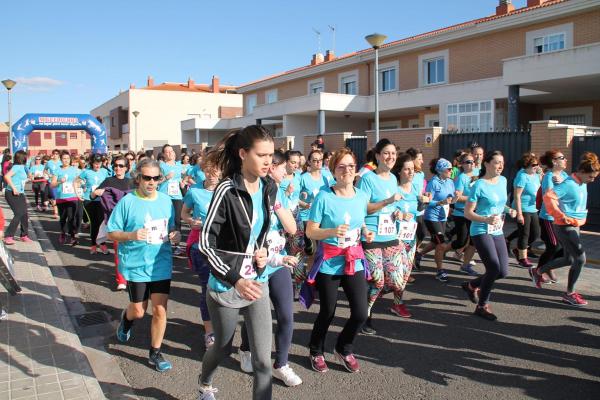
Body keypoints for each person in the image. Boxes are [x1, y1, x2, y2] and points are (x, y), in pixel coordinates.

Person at [197, 125, 277, 400]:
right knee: (222, 346)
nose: (269, 161)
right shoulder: (226, 190)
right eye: (262, 155)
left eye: (271, 155)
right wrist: (236, 279)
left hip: (258, 281)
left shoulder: (270, 186)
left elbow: (261, 231)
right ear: (243, 154)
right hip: (227, 282)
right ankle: (205, 382)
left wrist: (263, 251)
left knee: (264, 361)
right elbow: (205, 243)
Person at [304, 148, 373, 374]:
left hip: (354, 259)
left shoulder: (362, 195)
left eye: (351, 166)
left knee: (361, 313)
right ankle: (316, 350)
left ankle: (344, 348)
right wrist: (332, 231)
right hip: (330, 261)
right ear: (333, 170)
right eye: (341, 166)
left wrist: (365, 232)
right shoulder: (324, 197)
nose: (347, 170)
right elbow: (311, 231)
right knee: (328, 311)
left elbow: (359, 221)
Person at [237, 150, 301, 387]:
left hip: (279, 262)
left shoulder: (278, 192)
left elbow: (292, 228)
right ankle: (246, 350)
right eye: (283, 167)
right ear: (271, 167)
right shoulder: (252, 192)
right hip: (257, 265)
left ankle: (281, 364)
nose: (286, 171)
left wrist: (276, 205)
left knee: (286, 315)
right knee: (254, 315)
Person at [110, 158, 180, 372]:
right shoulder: (127, 201)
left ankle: (155, 353)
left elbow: (173, 229)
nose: (151, 182)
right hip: (136, 264)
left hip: (161, 262)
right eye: (146, 178)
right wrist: (131, 235)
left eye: (155, 178)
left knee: (160, 310)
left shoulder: (166, 200)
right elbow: (112, 232)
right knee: (139, 311)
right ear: (138, 178)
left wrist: (175, 236)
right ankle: (127, 319)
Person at [531, 152, 600, 306]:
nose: (593, 180)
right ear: (582, 172)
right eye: (591, 176)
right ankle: (570, 294)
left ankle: (538, 271)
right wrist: (559, 215)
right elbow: (549, 197)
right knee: (581, 259)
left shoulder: (580, 183)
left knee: (569, 259)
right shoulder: (569, 184)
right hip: (565, 226)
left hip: (575, 225)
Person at [357, 139, 405, 336]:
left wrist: (398, 213)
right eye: (386, 153)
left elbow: (393, 206)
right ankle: (363, 315)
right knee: (377, 280)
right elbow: (363, 207)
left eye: (393, 153)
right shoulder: (368, 178)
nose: (391, 157)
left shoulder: (393, 179)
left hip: (390, 234)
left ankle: (362, 300)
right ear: (377, 156)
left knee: (395, 281)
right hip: (372, 234)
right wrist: (387, 201)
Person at [463, 151, 516, 321]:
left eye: (502, 163)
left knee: (503, 271)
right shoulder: (479, 185)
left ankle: (471, 285)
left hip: (497, 229)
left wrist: (510, 210)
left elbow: (500, 204)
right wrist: (486, 219)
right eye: (496, 162)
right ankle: (482, 306)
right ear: (486, 164)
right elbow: (468, 213)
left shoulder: (503, 181)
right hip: (480, 230)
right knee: (493, 267)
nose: (500, 166)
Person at [182, 155, 221, 349]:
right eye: (209, 171)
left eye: (217, 171)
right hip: (201, 247)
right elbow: (184, 213)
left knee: (223, 289)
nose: (213, 175)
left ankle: (222, 324)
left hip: (224, 248)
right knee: (207, 288)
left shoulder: (228, 190)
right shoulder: (194, 190)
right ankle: (209, 332)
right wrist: (190, 221)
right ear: (203, 171)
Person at [93, 155, 135, 290]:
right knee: (119, 250)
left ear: (127, 168)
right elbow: (92, 195)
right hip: (115, 221)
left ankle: (132, 276)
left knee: (132, 250)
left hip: (131, 222)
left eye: (121, 166)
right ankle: (121, 280)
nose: (118, 168)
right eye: (115, 165)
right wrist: (96, 193)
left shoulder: (132, 182)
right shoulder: (108, 181)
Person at [536, 149, 568, 283]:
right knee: (553, 246)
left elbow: (572, 190)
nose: (565, 159)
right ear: (554, 162)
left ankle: (549, 267)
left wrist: (563, 183)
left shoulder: (565, 175)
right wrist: (561, 185)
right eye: (562, 157)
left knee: (566, 248)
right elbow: (549, 196)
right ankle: (538, 271)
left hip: (562, 217)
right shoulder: (549, 176)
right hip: (548, 217)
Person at [422, 158, 456, 282]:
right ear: (441, 170)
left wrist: (455, 198)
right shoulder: (433, 183)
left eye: (452, 169)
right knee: (441, 244)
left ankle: (419, 255)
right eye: (449, 169)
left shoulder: (450, 182)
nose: (451, 171)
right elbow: (427, 202)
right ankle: (439, 271)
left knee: (436, 242)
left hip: (443, 216)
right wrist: (440, 202)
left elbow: (452, 200)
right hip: (432, 216)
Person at [506, 153, 542, 267]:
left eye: (537, 164)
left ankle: (518, 249)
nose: (536, 166)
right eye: (534, 165)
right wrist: (520, 214)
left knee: (535, 233)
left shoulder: (535, 175)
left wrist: (541, 173)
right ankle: (522, 258)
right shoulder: (522, 176)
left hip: (533, 208)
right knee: (524, 233)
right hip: (523, 207)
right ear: (526, 166)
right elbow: (517, 196)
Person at [450, 153, 479, 275]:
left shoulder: (478, 173)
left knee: (474, 240)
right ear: (462, 164)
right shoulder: (461, 177)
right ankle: (442, 249)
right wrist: (472, 198)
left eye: (472, 161)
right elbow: (457, 198)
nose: (471, 164)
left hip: (475, 213)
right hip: (461, 213)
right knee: (461, 241)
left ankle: (465, 265)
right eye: (468, 162)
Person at [77, 154, 110, 254]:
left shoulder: (105, 171)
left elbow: (109, 183)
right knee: (94, 223)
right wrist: (78, 194)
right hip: (89, 200)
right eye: (96, 164)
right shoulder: (86, 172)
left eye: (99, 163)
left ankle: (102, 244)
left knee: (101, 223)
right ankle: (93, 245)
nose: (97, 166)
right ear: (92, 163)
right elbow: (76, 182)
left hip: (101, 200)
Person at [406, 147, 430, 270]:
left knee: (422, 234)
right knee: (410, 238)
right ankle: (408, 265)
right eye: (419, 159)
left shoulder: (421, 174)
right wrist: (418, 196)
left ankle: (414, 254)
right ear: (412, 160)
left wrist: (425, 195)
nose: (422, 161)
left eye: (422, 159)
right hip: (409, 210)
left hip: (420, 209)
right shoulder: (406, 173)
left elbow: (421, 190)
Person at [158, 144, 185, 255]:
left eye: (172, 151)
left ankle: (176, 245)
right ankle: (164, 244)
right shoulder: (161, 166)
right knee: (166, 220)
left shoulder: (179, 165)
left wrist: (183, 183)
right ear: (164, 154)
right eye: (167, 152)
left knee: (177, 220)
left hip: (177, 196)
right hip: (164, 196)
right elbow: (157, 181)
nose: (170, 153)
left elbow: (185, 177)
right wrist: (166, 178)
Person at [51, 151, 82, 245]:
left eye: (68, 158)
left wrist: (78, 184)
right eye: (64, 158)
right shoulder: (58, 170)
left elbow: (79, 181)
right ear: (61, 160)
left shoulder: (75, 169)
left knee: (72, 217)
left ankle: (72, 237)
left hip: (72, 197)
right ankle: (63, 232)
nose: (66, 160)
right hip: (61, 197)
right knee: (63, 217)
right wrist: (60, 181)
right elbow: (52, 184)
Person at [3, 150, 32, 244]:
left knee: (24, 214)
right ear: (22, 158)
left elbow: (20, 180)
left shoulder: (22, 167)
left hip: (20, 193)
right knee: (19, 213)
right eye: (25, 157)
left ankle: (24, 235)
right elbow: (7, 176)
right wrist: (14, 188)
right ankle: (8, 236)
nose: (26, 158)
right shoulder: (17, 167)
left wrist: (29, 178)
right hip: (12, 193)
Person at [45, 149, 62, 219]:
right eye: (54, 153)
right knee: (55, 197)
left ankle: (59, 209)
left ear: (59, 155)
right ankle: (56, 213)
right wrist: (48, 174)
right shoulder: (49, 162)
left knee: (59, 197)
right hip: (51, 182)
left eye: (57, 154)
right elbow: (45, 170)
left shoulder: (61, 162)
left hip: (60, 182)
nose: (55, 155)